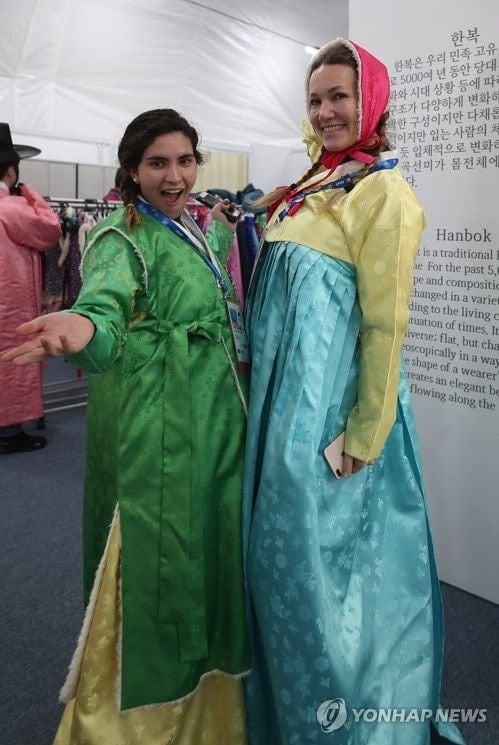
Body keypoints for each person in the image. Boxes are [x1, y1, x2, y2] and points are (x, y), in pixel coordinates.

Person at [242, 39, 466, 744]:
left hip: (329, 419)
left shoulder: (384, 193)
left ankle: (340, 723)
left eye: (339, 95)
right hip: (282, 408)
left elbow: (386, 325)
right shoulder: (314, 184)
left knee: (320, 573)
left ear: (370, 101)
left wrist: (365, 434)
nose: (325, 111)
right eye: (315, 99)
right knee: (280, 565)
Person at [1, 109, 249, 744]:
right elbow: (106, 307)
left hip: (210, 419)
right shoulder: (119, 237)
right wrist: (84, 326)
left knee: (205, 553)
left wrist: (223, 238)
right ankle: (141, 724)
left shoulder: (189, 225)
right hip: (161, 427)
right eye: (158, 163)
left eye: (185, 161)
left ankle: (210, 711)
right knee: (160, 561)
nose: (175, 175)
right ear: (133, 170)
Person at [0, 123, 62, 454]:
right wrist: (31, 194)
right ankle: (8, 432)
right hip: (8, 302)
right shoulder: (11, 207)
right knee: (11, 358)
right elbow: (50, 229)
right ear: (11, 171)